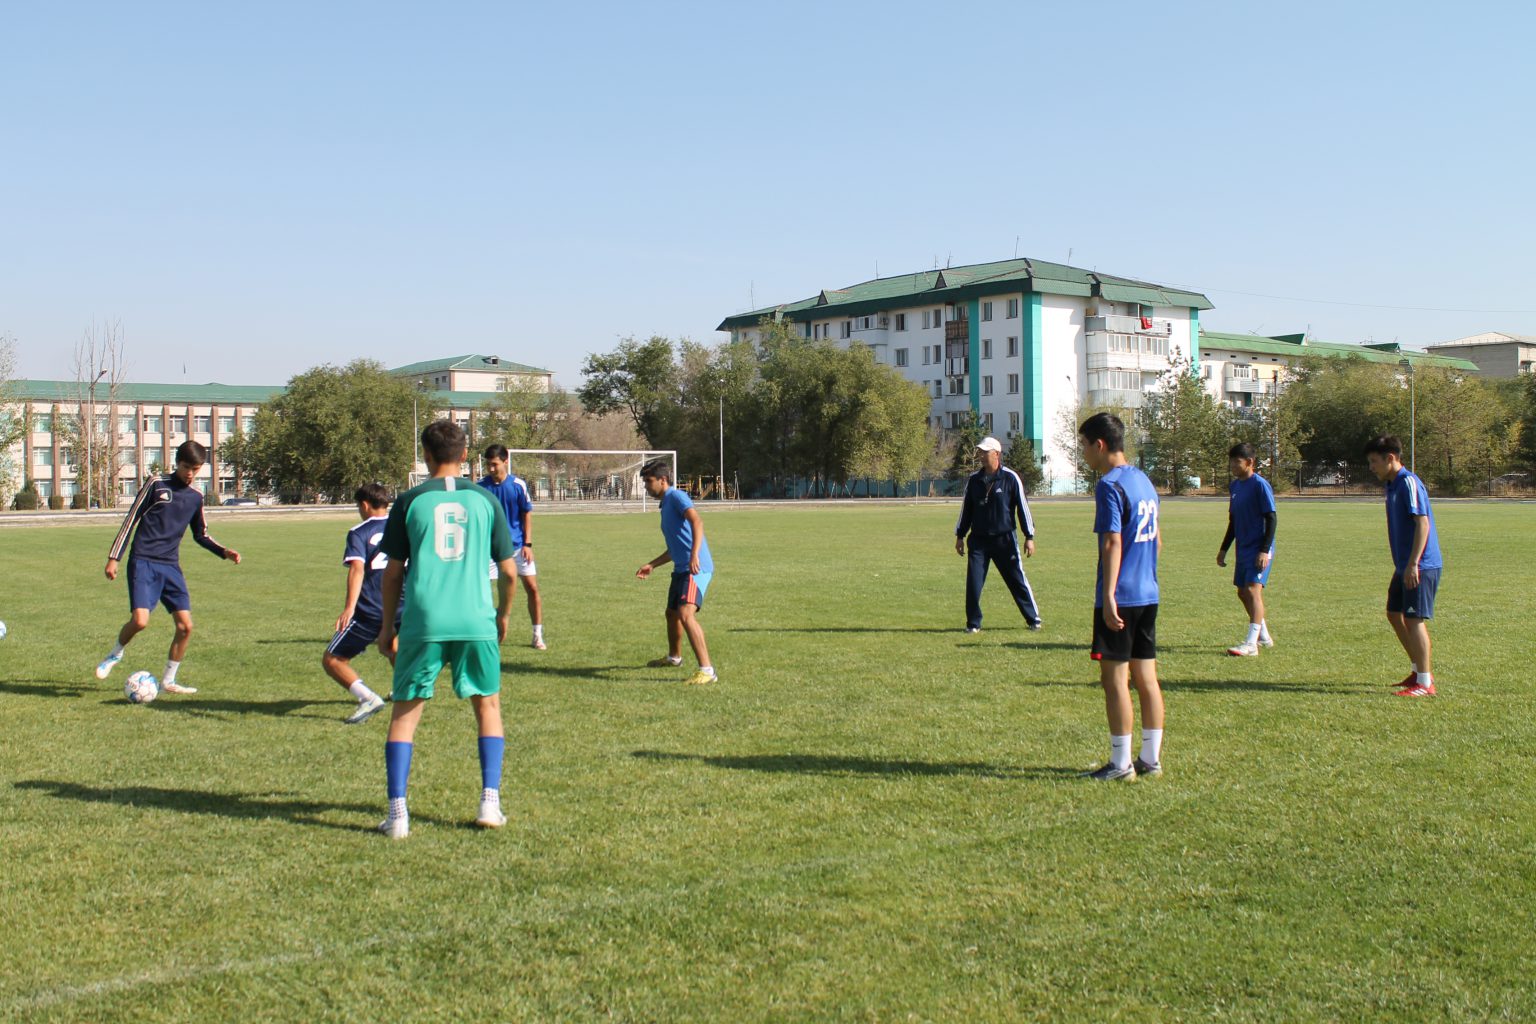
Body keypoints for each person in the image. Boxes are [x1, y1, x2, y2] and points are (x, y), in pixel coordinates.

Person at [375, 420, 517, 839]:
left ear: (425, 455)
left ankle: (398, 814)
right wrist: (503, 616)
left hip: (424, 620)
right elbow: (509, 572)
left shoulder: (409, 501)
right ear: (466, 454)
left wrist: (387, 626)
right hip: (475, 619)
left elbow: (392, 573)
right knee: (488, 707)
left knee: (405, 714)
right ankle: (489, 801)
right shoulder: (485, 500)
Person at [96, 440, 242, 694]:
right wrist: (114, 558)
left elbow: (200, 534)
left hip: (170, 566)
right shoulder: (156, 484)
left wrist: (223, 551)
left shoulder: (196, 497)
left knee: (186, 626)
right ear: (177, 463)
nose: (190, 473)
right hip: (143, 561)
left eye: (195, 469)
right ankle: (115, 653)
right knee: (140, 621)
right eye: (186, 467)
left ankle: (168, 681)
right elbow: (131, 520)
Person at [1078, 413, 1164, 780]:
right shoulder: (1143, 480)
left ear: (1100, 445)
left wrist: (1110, 594)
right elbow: (1157, 540)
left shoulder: (1109, 485)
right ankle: (1150, 759)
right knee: (1147, 678)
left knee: (1114, 680)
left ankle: (1120, 763)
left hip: (1122, 597)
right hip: (1147, 593)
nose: (1083, 453)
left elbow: (1112, 542)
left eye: (1084, 446)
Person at [1365, 435, 1442, 697]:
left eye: (1374, 461)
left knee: (1413, 618)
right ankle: (1418, 671)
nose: (1371, 467)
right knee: (1394, 613)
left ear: (1390, 458)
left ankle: (1425, 683)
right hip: (1404, 565)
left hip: (1420, 565)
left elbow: (1423, 523)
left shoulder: (1408, 482)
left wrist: (1413, 564)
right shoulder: (1391, 485)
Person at [635, 458, 716, 685]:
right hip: (681, 568)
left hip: (696, 568)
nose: (646, 486)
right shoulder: (665, 505)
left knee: (685, 614)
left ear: (663, 480)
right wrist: (652, 564)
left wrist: (694, 555)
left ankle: (707, 671)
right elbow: (675, 548)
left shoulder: (677, 497)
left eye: (649, 481)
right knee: (671, 614)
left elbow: (697, 522)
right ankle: (674, 657)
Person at [320, 483, 395, 725]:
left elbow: (357, 569)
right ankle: (406, 689)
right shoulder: (402, 526)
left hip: (372, 607)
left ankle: (367, 698)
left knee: (332, 660)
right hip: (402, 604)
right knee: (392, 647)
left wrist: (349, 608)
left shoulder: (359, 532)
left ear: (364, 505)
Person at [954, 435, 1041, 633]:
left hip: (1005, 540)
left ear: (997, 454)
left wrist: (1029, 537)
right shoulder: (974, 480)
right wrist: (960, 535)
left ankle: (1033, 618)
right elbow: (966, 510)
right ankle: (973, 623)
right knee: (973, 583)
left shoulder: (1010, 478)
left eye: (985, 452)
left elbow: (1023, 508)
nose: (981, 456)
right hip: (978, 541)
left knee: (1016, 579)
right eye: (980, 452)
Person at [478, 444, 545, 650]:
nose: (491, 469)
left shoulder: (518, 485)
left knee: (532, 588)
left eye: (494, 464)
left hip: (517, 547)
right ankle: (490, 631)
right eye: (488, 465)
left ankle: (537, 635)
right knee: (483, 592)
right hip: (491, 550)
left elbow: (526, 514)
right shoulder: (480, 487)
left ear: (505, 461)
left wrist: (527, 544)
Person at [1217, 443, 1277, 656]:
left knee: (1253, 590)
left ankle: (1251, 644)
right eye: (1231, 462)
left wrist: (1264, 550)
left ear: (1250, 462)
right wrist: (1224, 548)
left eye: (1237, 462)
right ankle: (1264, 636)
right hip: (1242, 547)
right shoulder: (1235, 486)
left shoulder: (1260, 485)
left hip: (1259, 547)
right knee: (1242, 593)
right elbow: (1233, 521)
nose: (1233, 466)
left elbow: (1271, 518)